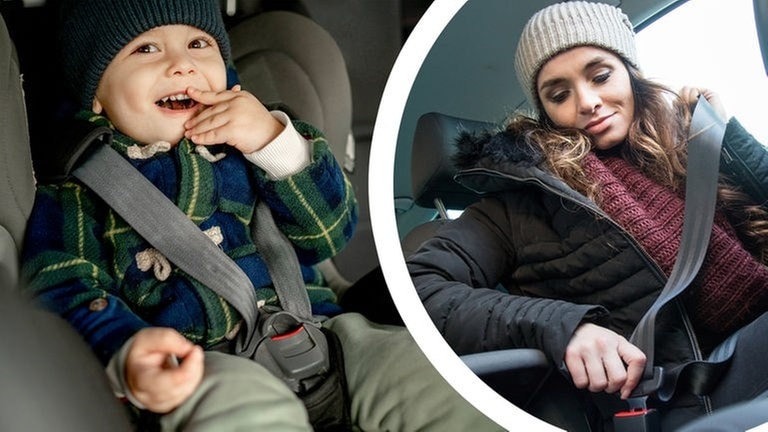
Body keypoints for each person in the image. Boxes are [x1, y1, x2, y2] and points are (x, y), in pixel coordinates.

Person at [19, 0, 501, 430]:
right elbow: (60, 284)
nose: (182, 64)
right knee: (240, 412)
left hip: (324, 333)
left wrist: (275, 143)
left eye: (198, 43)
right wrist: (122, 348)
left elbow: (330, 236)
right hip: (200, 363)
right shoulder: (81, 188)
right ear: (96, 95)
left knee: (430, 377)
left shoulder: (263, 141)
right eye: (145, 50)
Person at [407, 1, 768, 431]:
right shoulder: (517, 201)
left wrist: (724, 138)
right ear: (545, 112)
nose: (588, 102)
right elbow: (419, 286)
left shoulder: (688, 149)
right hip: (678, 398)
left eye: (600, 76)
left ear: (631, 75)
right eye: (559, 95)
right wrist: (562, 327)